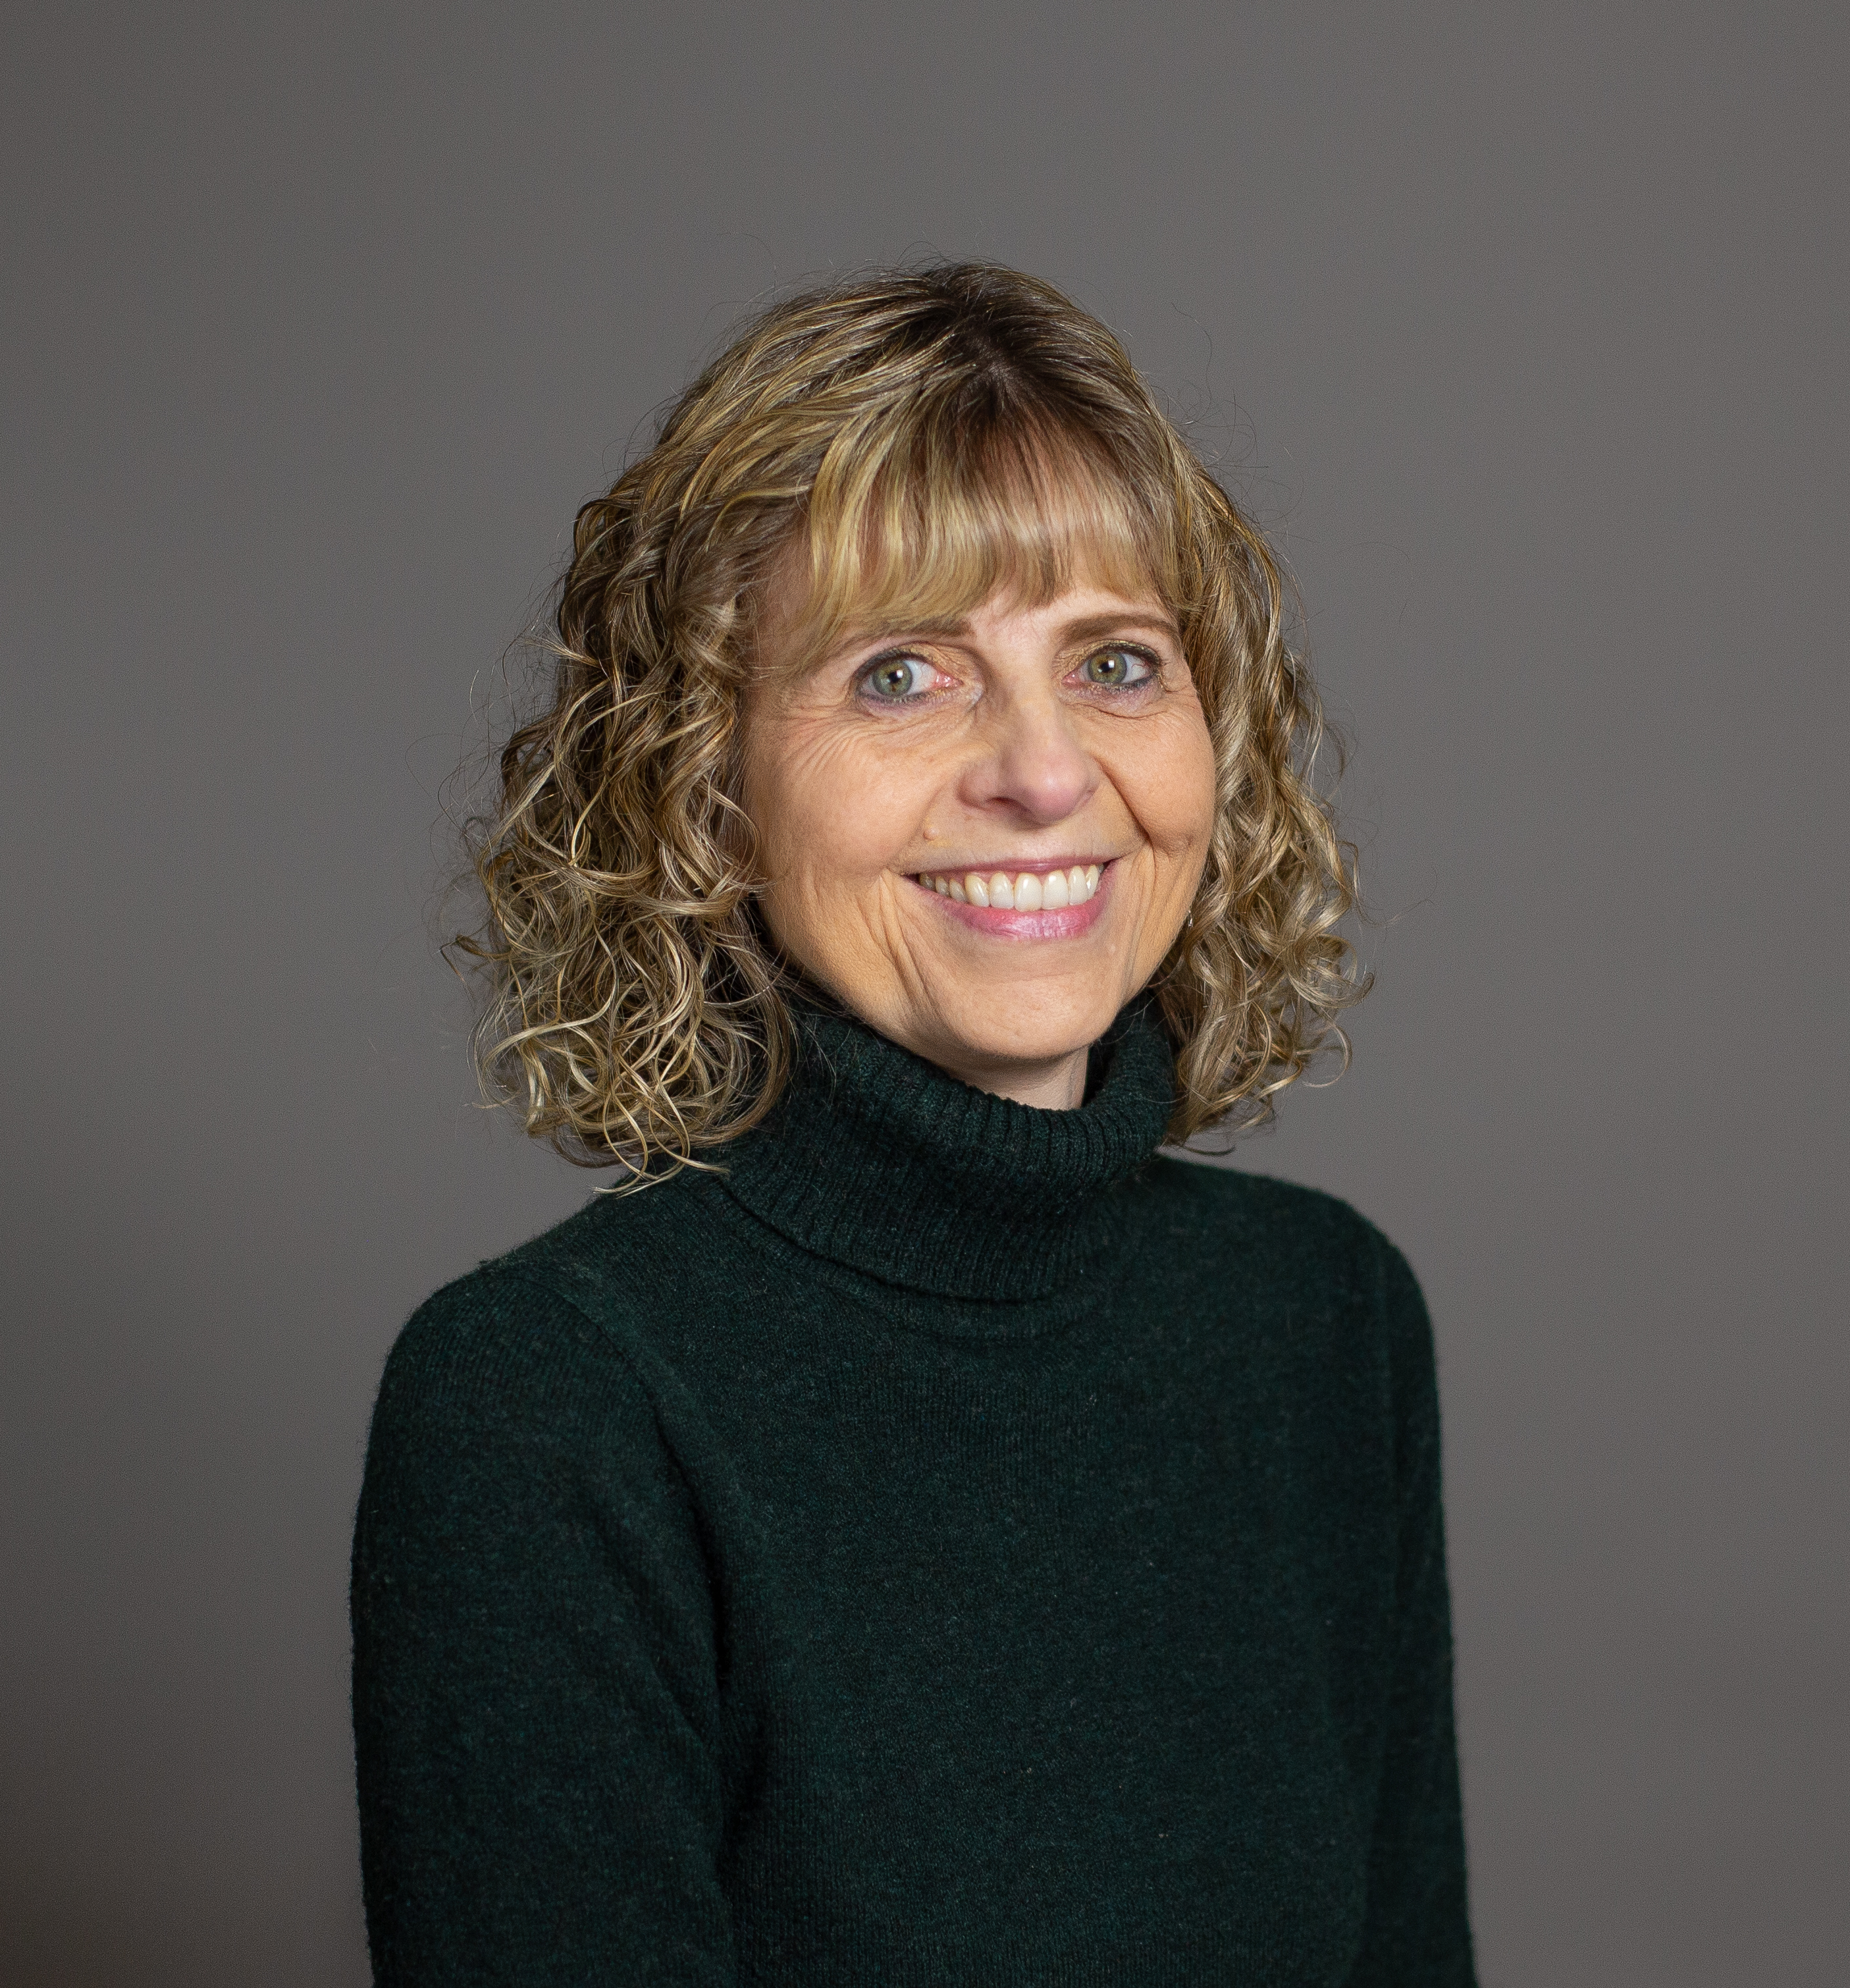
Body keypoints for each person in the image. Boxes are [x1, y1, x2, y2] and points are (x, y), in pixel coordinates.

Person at [352, 262, 1474, 1985]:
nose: (1039, 771)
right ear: (701, 785)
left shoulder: (1323, 1319)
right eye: (899, 673)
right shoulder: (553, 1402)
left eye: (1112, 659)